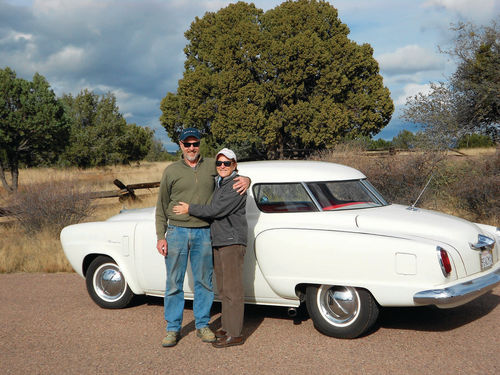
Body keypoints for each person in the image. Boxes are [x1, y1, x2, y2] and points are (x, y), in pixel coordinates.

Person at [155, 128, 249, 348]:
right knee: (173, 282)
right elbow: (161, 205)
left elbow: (233, 174)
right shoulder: (171, 171)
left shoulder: (212, 166)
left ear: (199, 144)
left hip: (204, 232)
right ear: (180, 145)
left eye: (195, 143)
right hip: (177, 231)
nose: (191, 148)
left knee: (204, 283)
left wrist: (247, 178)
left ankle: (203, 325)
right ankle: (172, 328)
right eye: (187, 144)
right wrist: (161, 235)